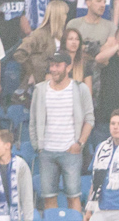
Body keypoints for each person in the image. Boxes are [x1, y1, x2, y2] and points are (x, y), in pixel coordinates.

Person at [30, 52, 94, 211]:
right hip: (47, 152)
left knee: (74, 196)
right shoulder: (40, 89)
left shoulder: (80, 89)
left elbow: (90, 119)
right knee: (48, 198)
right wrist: (38, 146)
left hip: (71, 151)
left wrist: (80, 143)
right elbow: (33, 120)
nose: (53, 69)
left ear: (68, 67)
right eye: (51, 65)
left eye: (57, 65)